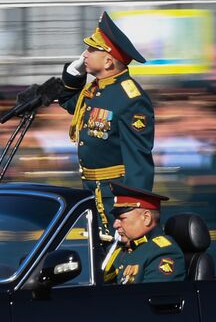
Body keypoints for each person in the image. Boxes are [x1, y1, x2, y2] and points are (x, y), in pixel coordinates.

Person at [55, 12, 155, 235]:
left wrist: (132, 210)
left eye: (92, 50)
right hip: (91, 190)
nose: (85, 54)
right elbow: (68, 101)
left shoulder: (130, 98)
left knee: (118, 254)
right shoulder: (97, 90)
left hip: (113, 194)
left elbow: (138, 160)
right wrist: (74, 73)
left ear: (109, 61)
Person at [102, 184, 183, 284]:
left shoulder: (163, 252)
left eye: (121, 219)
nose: (115, 225)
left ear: (146, 218)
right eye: (115, 218)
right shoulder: (119, 250)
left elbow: (152, 297)